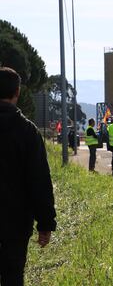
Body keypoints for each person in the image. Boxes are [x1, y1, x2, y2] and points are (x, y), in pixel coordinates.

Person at [0, 67, 57, 285]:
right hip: (15, 222)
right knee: (13, 277)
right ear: (17, 92)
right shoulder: (27, 131)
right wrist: (45, 223)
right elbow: (39, 180)